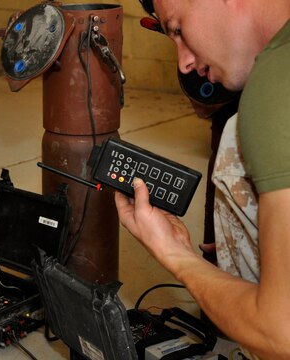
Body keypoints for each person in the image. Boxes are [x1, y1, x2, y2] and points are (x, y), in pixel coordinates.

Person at [115, 0, 290, 359]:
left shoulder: (275, 83)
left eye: (177, 29)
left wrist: (175, 254)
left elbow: (281, 332)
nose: (184, 63)